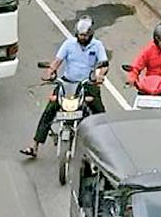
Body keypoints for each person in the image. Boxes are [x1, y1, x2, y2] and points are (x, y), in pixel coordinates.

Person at [20, 17, 108, 159]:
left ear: (91, 34)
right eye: (80, 35)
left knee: (100, 113)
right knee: (49, 110)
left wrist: (99, 76)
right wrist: (50, 72)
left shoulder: (97, 46)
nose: (82, 37)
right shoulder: (68, 44)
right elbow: (57, 62)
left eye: (85, 35)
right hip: (67, 83)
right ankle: (34, 146)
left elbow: (103, 65)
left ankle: (105, 147)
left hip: (87, 84)